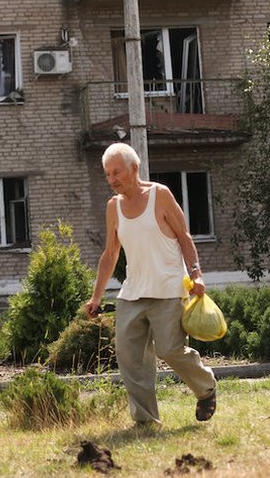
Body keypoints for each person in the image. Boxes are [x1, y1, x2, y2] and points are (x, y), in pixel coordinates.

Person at [84, 142, 217, 426]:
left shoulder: (160, 195)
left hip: (168, 288)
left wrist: (197, 275)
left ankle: (206, 387)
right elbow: (110, 254)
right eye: (108, 174)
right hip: (133, 292)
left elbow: (185, 237)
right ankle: (145, 421)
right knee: (130, 357)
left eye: (117, 172)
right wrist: (96, 297)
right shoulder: (114, 207)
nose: (112, 180)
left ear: (134, 168)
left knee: (169, 349)